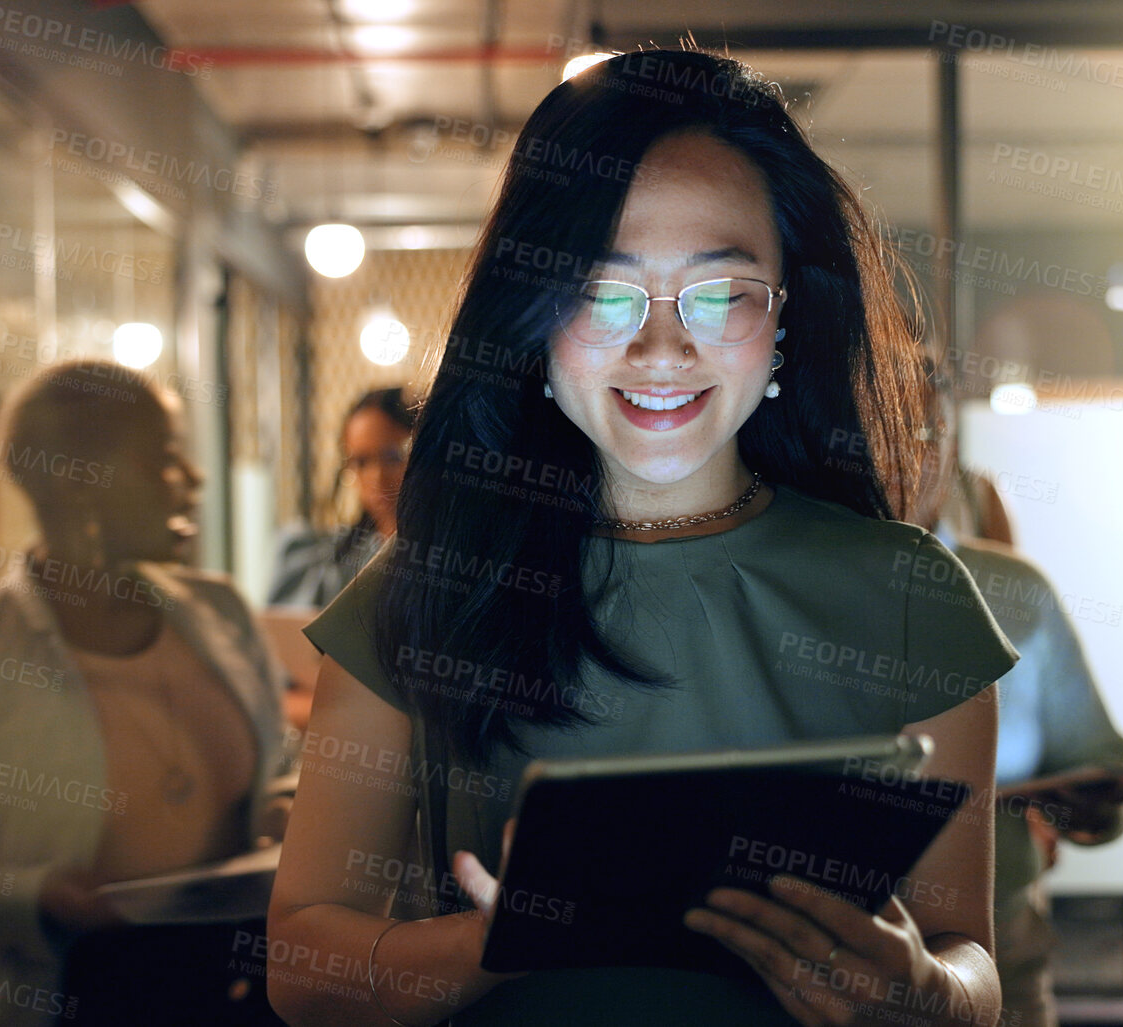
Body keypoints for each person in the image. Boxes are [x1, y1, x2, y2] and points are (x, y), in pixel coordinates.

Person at [268, 49, 1018, 1027]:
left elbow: (970, 957)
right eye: (601, 291)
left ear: (786, 314)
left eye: (719, 293)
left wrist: (927, 994)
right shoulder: (428, 588)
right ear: (533, 314)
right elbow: (299, 963)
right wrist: (491, 946)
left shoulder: (915, 599)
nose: (661, 348)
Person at [0, 360, 290, 1027]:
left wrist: (283, 806)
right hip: (66, 997)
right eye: (164, 457)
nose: (194, 479)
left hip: (242, 989)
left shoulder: (222, 612)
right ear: (77, 483)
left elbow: (281, 767)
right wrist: (43, 896)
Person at [910, 361, 1123, 1027]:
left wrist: (1091, 799)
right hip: (812, 941)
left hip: (997, 931)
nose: (911, 452)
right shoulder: (787, 586)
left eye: (929, 429)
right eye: (881, 428)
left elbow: (1093, 759)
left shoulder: (1015, 591)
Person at [267, 387, 414, 609]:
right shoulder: (328, 561)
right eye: (362, 462)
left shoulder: (444, 557)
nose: (377, 476)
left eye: (393, 457)